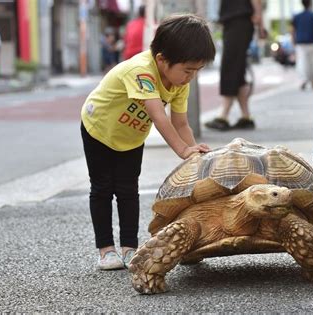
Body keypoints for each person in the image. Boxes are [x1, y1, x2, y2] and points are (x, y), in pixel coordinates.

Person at [80, 14, 215, 270]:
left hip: (130, 136)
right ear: (162, 59)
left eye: (196, 71)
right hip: (98, 128)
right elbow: (158, 116)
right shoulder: (141, 71)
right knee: (102, 188)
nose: (191, 77)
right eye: (187, 70)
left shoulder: (179, 82)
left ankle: (130, 249)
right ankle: (106, 250)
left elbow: (181, 123)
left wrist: (194, 156)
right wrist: (183, 150)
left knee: (129, 189)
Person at [205, 0, 265, 131]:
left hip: (240, 20)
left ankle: (224, 115)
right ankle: (246, 116)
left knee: (230, 66)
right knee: (237, 68)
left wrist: (259, 20)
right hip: (234, 21)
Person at [291, 0, 313, 90]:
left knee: (302, 62)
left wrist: (293, 42)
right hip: (312, 42)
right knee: (312, 62)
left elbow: (293, 31)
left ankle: (304, 79)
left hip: (300, 43)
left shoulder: (296, 16)